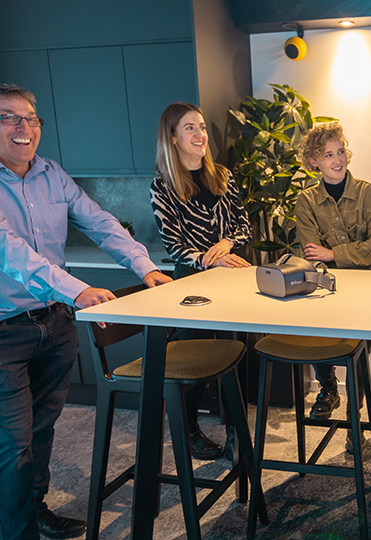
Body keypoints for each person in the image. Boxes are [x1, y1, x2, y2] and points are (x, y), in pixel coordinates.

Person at [0, 83, 172, 540]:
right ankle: (17, 534)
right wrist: (78, 290)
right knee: (13, 441)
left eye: (31, 118)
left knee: (42, 429)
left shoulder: (50, 173)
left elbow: (99, 221)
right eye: (9, 117)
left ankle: (36, 509)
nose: (24, 127)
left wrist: (145, 266)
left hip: (53, 322)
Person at [150, 102, 252, 460]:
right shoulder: (163, 186)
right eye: (190, 128)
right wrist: (210, 259)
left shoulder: (223, 176)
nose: (200, 135)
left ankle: (234, 431)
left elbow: (243, 226)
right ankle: (190, 429)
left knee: (233, 356)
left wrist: (227, 244)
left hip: (233, 281)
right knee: (193, 360)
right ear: (173, 138)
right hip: (191, 286)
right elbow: (174, 246)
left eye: (203, 127)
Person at [295, 122, 371, 422]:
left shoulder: (367, 194)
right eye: (327, 155)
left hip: (366, 289)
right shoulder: (306, 201)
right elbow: (311, 255)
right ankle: (327, 387)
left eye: (340, 152)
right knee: (317, 337)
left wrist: (333, 253)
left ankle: (355, 415)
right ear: (314, 161)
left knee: (357, 354)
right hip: (324, 289)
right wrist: (333, 259)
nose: (337, 160)